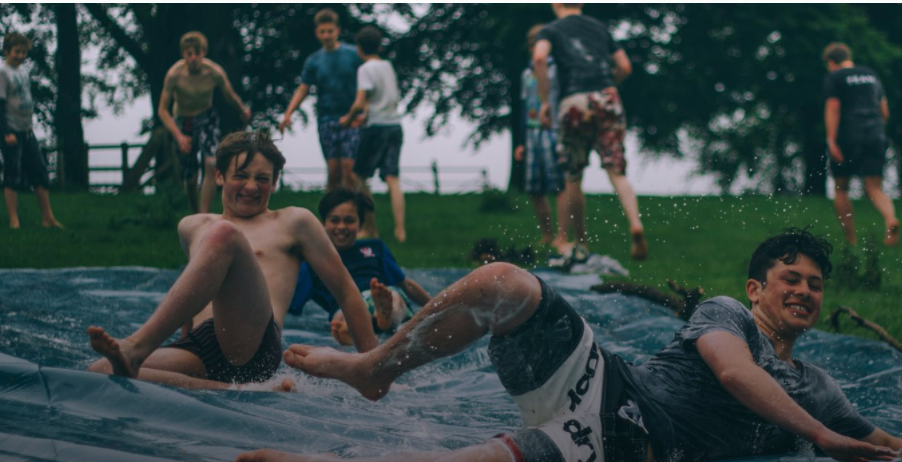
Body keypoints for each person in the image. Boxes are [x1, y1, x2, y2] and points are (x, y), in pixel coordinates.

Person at [237, 227, 902, 462]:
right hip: (608, 391)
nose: (806, 293)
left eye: (816, 285)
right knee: (503, 283)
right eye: (792, 278)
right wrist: (824, 435)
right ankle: (375, 367)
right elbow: (733, 377)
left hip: (617, 450)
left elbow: (873, 442)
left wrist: (850, 437)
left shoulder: (819, 387)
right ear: (758, 287)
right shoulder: (728, 315)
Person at [86, 131, 377, 390]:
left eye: (262, 179)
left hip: (253, 345)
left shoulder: (293, 222)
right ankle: (232, 389)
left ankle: (136, 347)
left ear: (274, 182)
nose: (251, 186)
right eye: (241, 175)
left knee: (224, 234)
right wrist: (183, 339)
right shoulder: (192, 226)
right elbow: (195, 290)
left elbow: (346, 291)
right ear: (220, 176)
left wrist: (373, 368)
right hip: (200, 345)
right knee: (100, 371)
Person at [534, 3, 648, 261]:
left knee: (573, 175)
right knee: (616, 169)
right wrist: (609, 88)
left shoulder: (551, 30)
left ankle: (581, 242)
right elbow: (624, 67)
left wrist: (544, 102)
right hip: (606, 95)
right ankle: (635, 224)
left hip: (573, 100)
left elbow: (539, 57)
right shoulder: (599, 28)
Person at [289, 187, 431, 346]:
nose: (341, 226)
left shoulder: (375, 247)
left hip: (379, 294)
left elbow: (404, 283)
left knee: (394, 299)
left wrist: (433, 305)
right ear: (323, 223)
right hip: (345, 307)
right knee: (341, 315)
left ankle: (381, 319)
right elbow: (289, 296)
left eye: (349, 220)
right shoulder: (314, 261)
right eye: (334, 220)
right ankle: (353, 329)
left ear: (361, 225)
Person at [158, 31, 252, 214]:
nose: (193, 58)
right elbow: (162, 110)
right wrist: (179, 137)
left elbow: (229, 95)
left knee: (211, 163)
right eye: (189, 54)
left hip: (207, 118)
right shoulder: (174, 75)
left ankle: (204, 214)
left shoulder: (214, 72)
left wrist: (242, 110)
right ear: (183, 54)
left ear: (204, 52)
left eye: (197, 53)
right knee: (190, 177)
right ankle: (196, 214)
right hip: (183, 122)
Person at [823, 42, 899, 247]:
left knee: (841, 187)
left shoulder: (835, 77)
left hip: (848, 134)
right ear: (848, 57)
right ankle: (890, 219)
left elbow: (833, 108)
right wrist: (876, 131)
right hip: (875, 133)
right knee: (875, 187)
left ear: (831, 62)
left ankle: (851, 239)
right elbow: (884, 111)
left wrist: (831, 140)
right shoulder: (871, 74)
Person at [279, 8, 363, 191]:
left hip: (352, 117)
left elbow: (368, 84)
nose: (326, 35)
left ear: (338, 30)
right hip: (327, 118)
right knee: (333, 173)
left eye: (330, 31)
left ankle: (358, 213)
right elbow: (303, 89)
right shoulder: (314, 61)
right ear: (317, 32)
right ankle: (330, 216)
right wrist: (288, 113)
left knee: (349, 171)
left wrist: (365, 110)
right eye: (323, 32)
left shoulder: (354, 54)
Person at [342, 26, 407, 242]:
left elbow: (360, 101)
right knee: (392, 178)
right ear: (379, 46)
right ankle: (400, 231)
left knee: (358, 176)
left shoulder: (365, 69)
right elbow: (384, 98)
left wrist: (348, 119)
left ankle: (370, 228)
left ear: (359, 48)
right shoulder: (387, 66)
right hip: (394, 125)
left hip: (377, 128)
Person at [0, 32, 63, 230]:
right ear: (6, 51)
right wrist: (5, 132)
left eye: (24, 52)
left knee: (40, 172)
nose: (20, 55)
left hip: (27, 131)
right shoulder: (3, 72)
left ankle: (48, 218)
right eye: (17, 51)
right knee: (12, 175)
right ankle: (14, 220)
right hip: (11, 131)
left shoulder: (24, 71)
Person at [514, 24, 567, 250]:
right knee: (535, 187)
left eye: (537, 39)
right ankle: (547, 234)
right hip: (532, 132)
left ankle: (562, 236)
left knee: (560, 185)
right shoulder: (526, 73)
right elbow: (524, 106)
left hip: (553, 130)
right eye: (530, 40)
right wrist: (521, 141)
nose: (533, 44)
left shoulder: (560, 69)